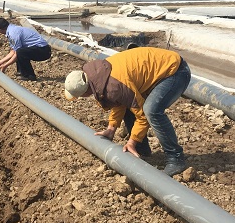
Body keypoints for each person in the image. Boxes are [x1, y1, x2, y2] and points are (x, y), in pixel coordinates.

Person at [63, 47, 191, 176]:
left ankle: (176, 159)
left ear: (86, 92)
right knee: (130, 105)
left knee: (151, 110)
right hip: (161, 69)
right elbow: (119, 101)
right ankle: (141, 151)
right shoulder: (98, 74)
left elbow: (140, 114)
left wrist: (132, 140)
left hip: (175, 71)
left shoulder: (114, 85)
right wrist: (112, 127)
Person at [0, 17, 51, 81]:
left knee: (20, 52)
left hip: (43, 51)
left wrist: (5, 65)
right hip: (39, 49)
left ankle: (29, 76)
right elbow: (13, 51)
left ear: (0, 30)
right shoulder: (12, 29)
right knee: (19, 50)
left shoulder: (13, 33)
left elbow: (16, 53)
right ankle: (21, 71)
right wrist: (1, 61)